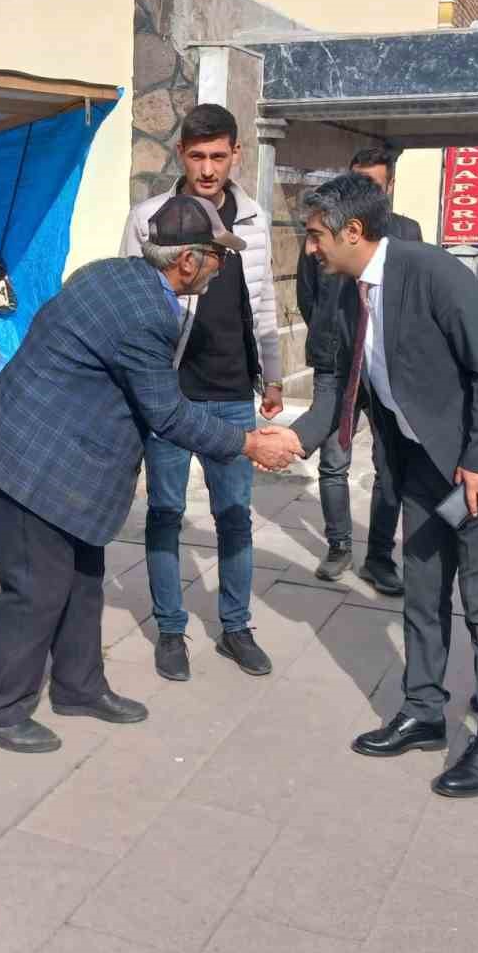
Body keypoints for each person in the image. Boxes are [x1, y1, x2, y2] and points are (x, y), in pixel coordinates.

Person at [0, 195, 303, 754]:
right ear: (188, 262)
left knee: (83, 577)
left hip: (62, 453)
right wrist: (247, 444)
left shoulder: (116, 274)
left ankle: (77, 687)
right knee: (36, 589)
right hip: (29, 457)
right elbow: (167, 414)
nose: (223, 267)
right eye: (218, 257)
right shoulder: (148, 315)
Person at [294, 173, 478, 799]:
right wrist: (296, 439)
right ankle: (424, 712)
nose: (309, 249)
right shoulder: (351, 290)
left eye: (314, 236)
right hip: (420, 462)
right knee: (423, 590)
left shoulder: (432, 273)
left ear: (353, 232)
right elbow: (339, 380)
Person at [122, 104, 283, 683]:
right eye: (197, 156)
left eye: (219, 156)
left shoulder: (255, 217)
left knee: (234, 513)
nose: (208, 168)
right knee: (165, 512)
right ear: (181, 155)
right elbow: (131, 297)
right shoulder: (149, 217)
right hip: (171, 392)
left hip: (234, 388)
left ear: (235, 154)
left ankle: (235, 627)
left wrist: (273, 373)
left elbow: (262, 300)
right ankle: (170, 628)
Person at [298, 146, 420, 594]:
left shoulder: (406, 232)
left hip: (386, 366)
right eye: (357, 181)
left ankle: (380, 557)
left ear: (389, 186)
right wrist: (335, 335)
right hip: (335, 361)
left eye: (372, 183)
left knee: (391, 466)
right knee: (334, 462)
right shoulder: (324, 229)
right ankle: (338, 546)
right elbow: (308, 294)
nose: (363, 190)